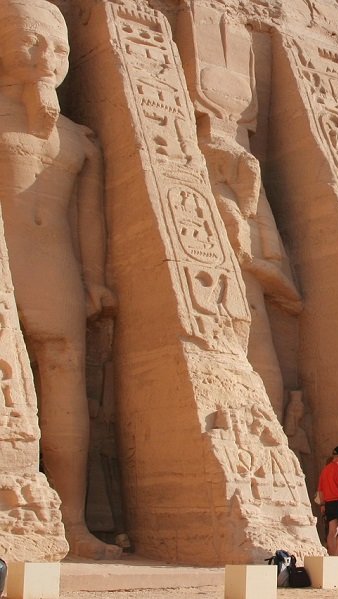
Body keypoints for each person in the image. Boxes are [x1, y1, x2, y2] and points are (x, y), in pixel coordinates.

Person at [0, 0, 120, 560]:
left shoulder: (79, 138)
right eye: (30, 41)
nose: (47, 57)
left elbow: (89, 218)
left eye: (61, 48)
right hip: (7, 262)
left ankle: (72, 522)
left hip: (58, 273)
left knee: (65, 387)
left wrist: (94, 279)